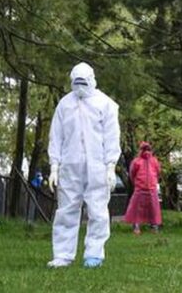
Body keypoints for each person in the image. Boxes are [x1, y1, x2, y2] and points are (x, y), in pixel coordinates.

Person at [46, 62, 121, 268]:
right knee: (66, 210)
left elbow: (111, 137)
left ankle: (94, 254)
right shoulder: (64, 105)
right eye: (76, 83)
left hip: (97, 167)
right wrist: (54, 166)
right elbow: (56, 137)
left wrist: (110, 166)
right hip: (70, 167)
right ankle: (62, 255)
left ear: (92, 80)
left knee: (97, 210)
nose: (80, 87)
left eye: (83, 83)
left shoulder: (105, 104)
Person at [124, 141, 162, 234]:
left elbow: (132, 174)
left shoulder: (136, 161)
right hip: (151, 188)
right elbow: (158, 173)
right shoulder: (154, 160)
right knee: (153, 209)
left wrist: (136, 183)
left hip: (141, 187)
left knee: (137, 208)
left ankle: (136, 226)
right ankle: (154, 226)